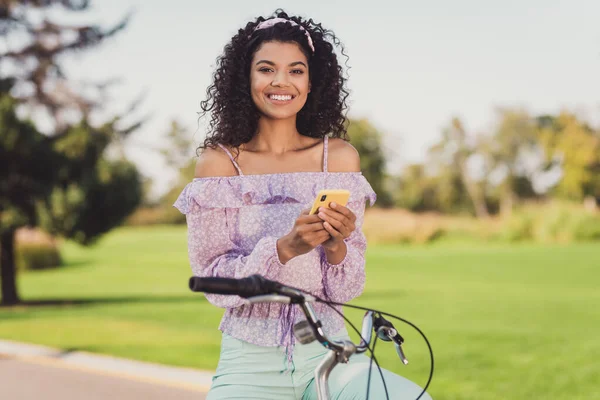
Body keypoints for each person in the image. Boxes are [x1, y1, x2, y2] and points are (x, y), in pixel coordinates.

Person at [174, 9, 432, 400]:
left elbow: (349, 283)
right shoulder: (219, 163)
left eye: (296, 70)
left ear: (312, 82)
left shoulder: (340, 159)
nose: (281, 81)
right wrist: (285, 248)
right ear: (246, 79)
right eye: (266, 69)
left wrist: (336, 245)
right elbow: (213, 276)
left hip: (331, 353)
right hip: (250, 359)